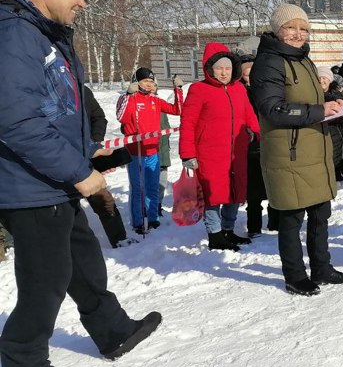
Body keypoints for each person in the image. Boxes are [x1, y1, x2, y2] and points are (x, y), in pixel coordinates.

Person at [0, 0, 160, 367]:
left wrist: (84, 154)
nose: (84, 2)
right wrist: (79, 172)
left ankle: (113, 331)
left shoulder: (45, 33)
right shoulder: (15, 35)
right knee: (45, 280)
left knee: (84, 262)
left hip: (55, 177)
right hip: (29, 184)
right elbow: (15, 119)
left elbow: (60, 106)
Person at [251, 3, 343, 296]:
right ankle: (294, 276)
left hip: (314, 152)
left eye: (304, 29)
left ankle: (322, 267)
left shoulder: (303, 60)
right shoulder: (269, 62)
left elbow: (310, 103)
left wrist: (331, 107)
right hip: (289, 154)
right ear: (277, 29)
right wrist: (319, 110)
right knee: (292, 218)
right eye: (292, 28)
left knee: (321, 213)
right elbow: (273, 109)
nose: (299, 34)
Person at [179, 42, 260, 251]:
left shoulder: (239, 88)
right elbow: (187, 122)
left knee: (235, 192)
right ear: (209, 68)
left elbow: (249, 114)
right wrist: (187, 153)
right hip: (209, 154)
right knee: (213, 194)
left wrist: (257, 132)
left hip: (236, 152)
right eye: (219, 68)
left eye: (227, 68)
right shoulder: (199, 90)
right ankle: (215, 235)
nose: (224, 73)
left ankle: (228, 230)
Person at [116, 67, 183, 233]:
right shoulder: (127, 98)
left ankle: (153, 219)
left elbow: (178, 110)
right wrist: (129, 95)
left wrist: (178, 90)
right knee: (138, 188)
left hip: (153, 150)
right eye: (145, 81)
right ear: (136, 82)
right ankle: (138, 223)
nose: (149, 85)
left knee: (153, 187)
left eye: (151, 82)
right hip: (135, 152)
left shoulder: (155, 101)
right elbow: (122, 117)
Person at [83, 86, 130, 248]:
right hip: (56, 160)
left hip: (85, 159)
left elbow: (99, 118)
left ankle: (120, 240)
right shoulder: (39, 90)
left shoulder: (81, 90)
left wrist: (94, 144)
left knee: (104, 200)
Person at [239, 54, 271, 235]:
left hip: (268, 142)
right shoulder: (240, 92)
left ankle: (275, 222)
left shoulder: (265, 89)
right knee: (254, 192)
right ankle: (254, 226)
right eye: (246, 73)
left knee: (273, 186)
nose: (250, 77)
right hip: (250, 146)